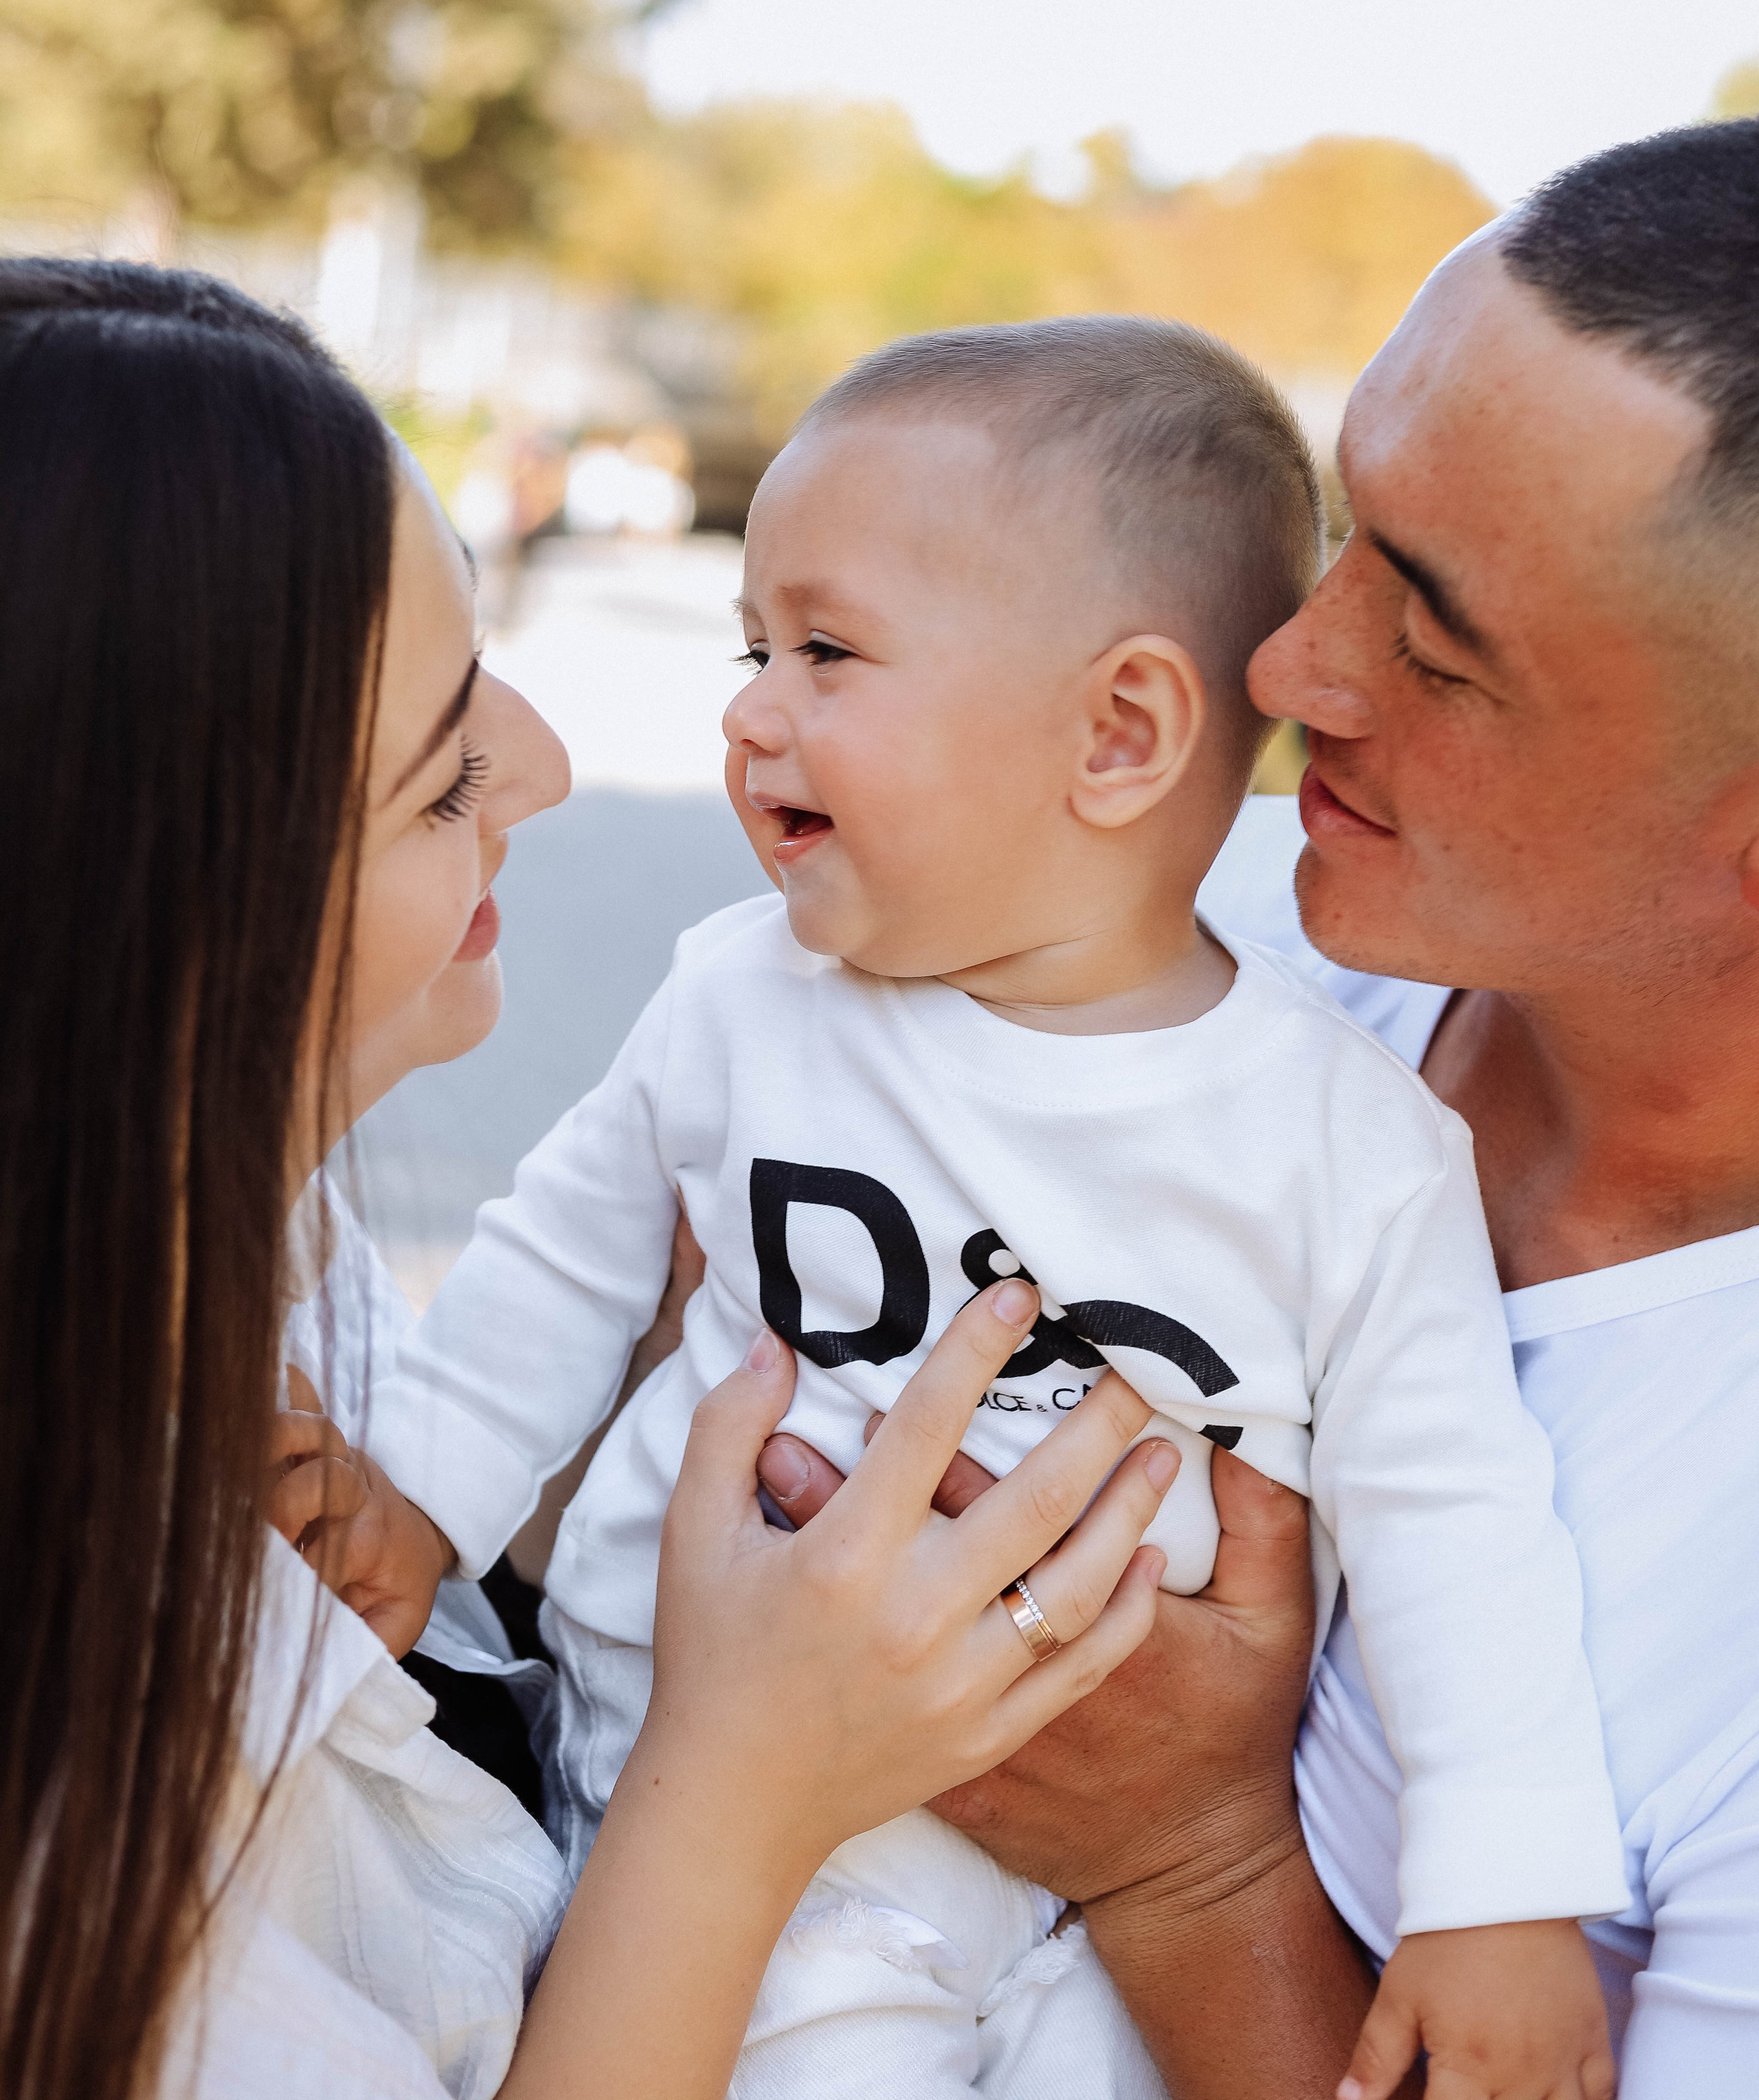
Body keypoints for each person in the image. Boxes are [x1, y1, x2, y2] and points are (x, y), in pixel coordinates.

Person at [356, 319, 1619, 2100]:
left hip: (1091, 1900)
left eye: (825, 650)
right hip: (755, 1840)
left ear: (1117, 732)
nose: (747, 708)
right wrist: (413, 1500)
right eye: (749, 646)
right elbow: (562, 1257)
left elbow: (1457, 1518)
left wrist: (1499, 1893)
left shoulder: (1349, 1141)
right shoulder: (741, 1001)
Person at [0, 256, 1172, 2100]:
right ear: (160, 925)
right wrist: (745, 1790)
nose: (540, 767)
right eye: (439, 764)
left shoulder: (232, 1242)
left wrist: (621, 1448)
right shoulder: (76, 1809)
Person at [759, 118, 1759, 2100]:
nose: (1291, 664)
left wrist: (1185, 1861)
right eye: (1348, 533)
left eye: (1438, 641)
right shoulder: (1147, 934)